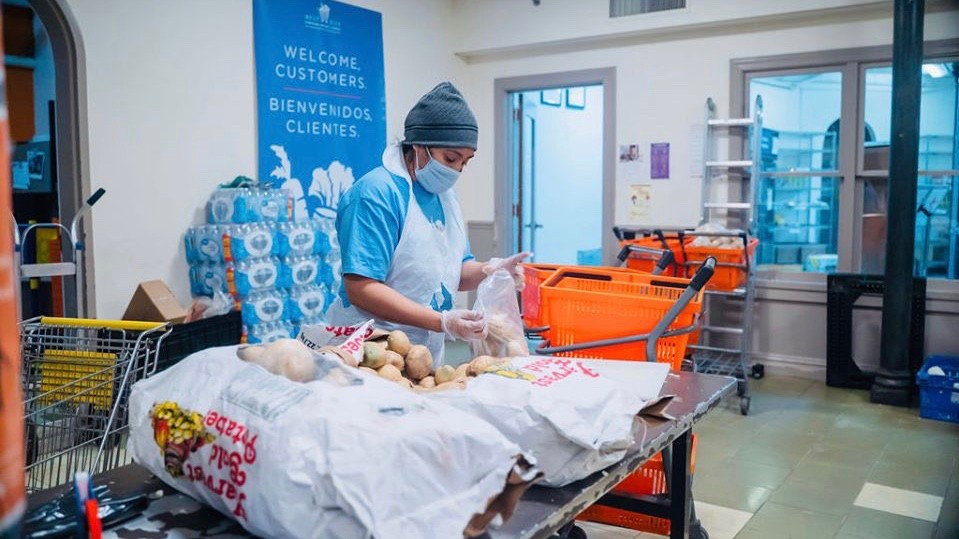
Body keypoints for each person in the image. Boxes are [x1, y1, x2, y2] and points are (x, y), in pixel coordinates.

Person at [326, 82, 528, 366]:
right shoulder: (377, 194)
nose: (457, 170)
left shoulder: (446, 197)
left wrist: (490, 270)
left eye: (465, 162)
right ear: (418, 145)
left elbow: (454, 270)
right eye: (451, 158)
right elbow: (361, 288)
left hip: (420, 355)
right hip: (368, 351)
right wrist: (441, 321)